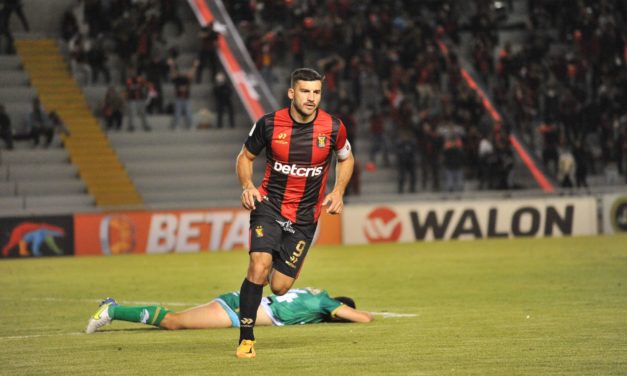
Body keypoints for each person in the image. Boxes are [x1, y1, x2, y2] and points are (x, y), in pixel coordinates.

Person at [235, 68, 354, 358]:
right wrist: (248, 185)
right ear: (291, 92)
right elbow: (245, 157)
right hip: (270, 205)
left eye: (316, 92)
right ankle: (246, 339)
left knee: (278, 287)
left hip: (304, 217)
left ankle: (267, 275)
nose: (311, 98)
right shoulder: (268, 124)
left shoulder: (333, 128)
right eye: (305, 91)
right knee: (258, 264)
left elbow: (347, 158)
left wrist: (338, 191)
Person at [85, 287, 372, 334]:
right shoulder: (326, 303)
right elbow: (363, 318)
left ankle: (113, 309)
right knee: (174, 322)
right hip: (242, 309)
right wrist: (343, 312)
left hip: (245, 304)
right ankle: (112, 310)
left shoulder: (315, 295)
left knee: (176, 322)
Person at [168, 58, 199, 130]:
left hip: (187, 99)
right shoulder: (177, 79)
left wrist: (195, 66)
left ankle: (191, 125)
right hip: (178, 99)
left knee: (189, 113)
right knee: (177, 113)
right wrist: (171, 65)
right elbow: (173, 73)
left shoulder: (188, 79)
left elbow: (192, 73)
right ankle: (176, 126)